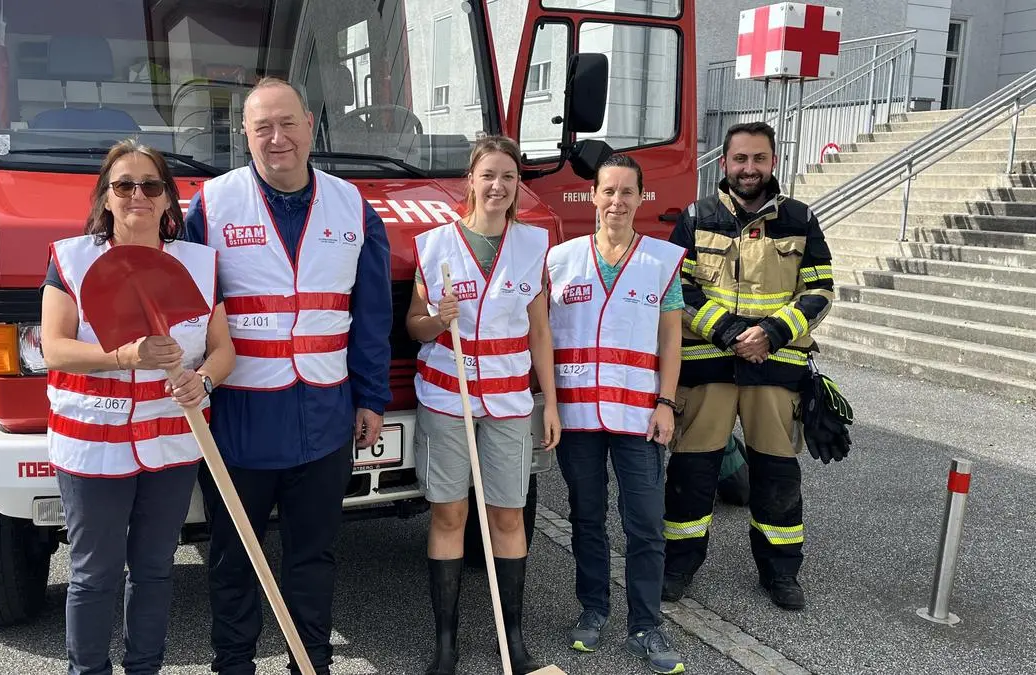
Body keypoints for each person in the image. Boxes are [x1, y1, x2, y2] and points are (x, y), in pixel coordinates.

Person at [182, 77, 392, 675]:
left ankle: (312, 664)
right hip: (241, 421)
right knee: (233, 560)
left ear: (310, 124)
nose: (278, 139)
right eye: (262, 127)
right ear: (244, 136)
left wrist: (372, 397)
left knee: (314, 558)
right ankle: (234, 665)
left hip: (325, 421)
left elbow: (370, 315)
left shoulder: (353, 207)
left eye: (288, 123)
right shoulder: (213, 206)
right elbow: (192, 311)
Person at [40, 140, 236, 675]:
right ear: (105, 198)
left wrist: (204, 381)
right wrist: (126, 354)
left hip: (170, 445)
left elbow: (224, 350)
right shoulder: (72, 259)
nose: (137, 195)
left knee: (153, 570)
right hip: (91, 445)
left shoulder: (198, 264)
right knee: (94, 573)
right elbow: (54, 348)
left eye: (151, 185)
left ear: (170, 201)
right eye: (124, 185)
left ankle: (144, 668)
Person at [662, 121, 835, 610]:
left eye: (759, 159)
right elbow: (678, 290)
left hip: (776, 370)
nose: (749, 168)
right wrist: (733, 334)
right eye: (740, 159)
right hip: (707, 371)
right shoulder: (696, 216)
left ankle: (780, 574)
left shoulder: (800, 219)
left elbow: (820, 291)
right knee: (691, 476)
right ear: (724, 164)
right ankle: (678, 567)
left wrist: (772, 334)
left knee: (777, 477)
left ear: (773, 162)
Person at [406, 135, 560, 675]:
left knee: (508, 515)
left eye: (509, 177)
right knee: (450, 513)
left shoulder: (532, 245)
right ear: (470, 180)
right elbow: (414, 326)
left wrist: (551, 402)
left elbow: (540, 331)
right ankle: (445, 644)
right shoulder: (435, 245)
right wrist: (436, 318)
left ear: (518, 185)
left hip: (511, 399)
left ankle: (512, 641)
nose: (498, 186)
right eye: (488, 175)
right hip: (448, 398)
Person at [545, 154, 686, 675]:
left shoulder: (661, 261)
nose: (617, 202)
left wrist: (666, 403)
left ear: (642, 198)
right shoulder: (559, 261)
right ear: (593, 196)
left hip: (639, 417)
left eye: (628, 192)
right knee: (587, 518)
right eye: (608, 191)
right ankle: (593, 608)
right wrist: (550, 407)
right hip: (578, 417)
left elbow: (671, 342)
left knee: (646, 524)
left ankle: (646, 624)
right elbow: (542, 336)